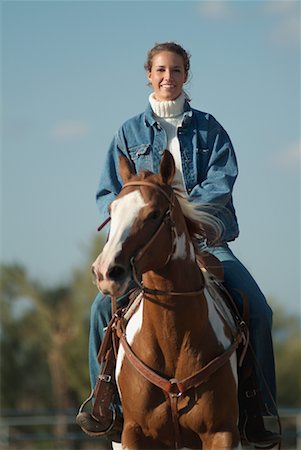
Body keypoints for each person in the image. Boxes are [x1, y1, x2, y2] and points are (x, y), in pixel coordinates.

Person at [77, 42, 280, 447]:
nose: (168, 77)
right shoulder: (127, 132)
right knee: (101, 308)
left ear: (186, 75)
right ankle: (107, 404)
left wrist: (182, 214)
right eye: (160, 70)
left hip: (205, 239)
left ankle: (259, 410)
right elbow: (109, 192)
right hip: (147, 245)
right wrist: (126, 216)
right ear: (149, 75)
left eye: (176, 70)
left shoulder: (210, 130)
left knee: (257, 310)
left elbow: (220, 184)